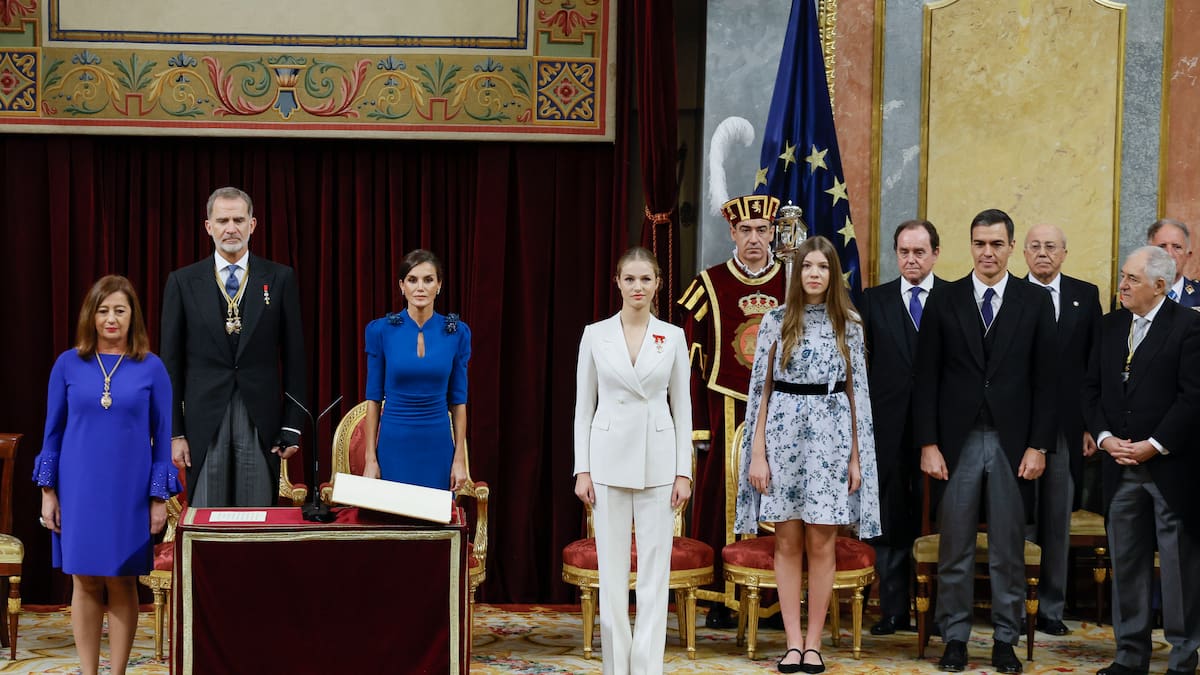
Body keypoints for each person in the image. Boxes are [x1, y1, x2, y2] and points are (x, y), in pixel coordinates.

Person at [912, 208, 1056, 674]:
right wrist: (928, 442)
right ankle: (954, 636)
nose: (987, 252)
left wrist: (1039, 445)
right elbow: (926, 378)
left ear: (1011, 247)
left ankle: (1004, 641)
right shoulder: (945, 299)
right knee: (954, 545)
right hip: (957, 443)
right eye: (979, 243)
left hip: (1013, 444)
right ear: (969, 246)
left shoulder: (1033, 303)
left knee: (1008, 549)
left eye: (996, 243)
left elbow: (1046, 383)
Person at [735, 235, 881, 674]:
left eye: (822, 267)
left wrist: (857, 457)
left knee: (822, 541)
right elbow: (758, 392)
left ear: (833, 274)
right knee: (787, 540)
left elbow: (859, 394)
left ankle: (814, 643)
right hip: (782, 439)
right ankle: (792, 643)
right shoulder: (776, 321)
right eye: (806, 267)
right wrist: (757, 454)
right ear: (796, 274)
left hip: (831, 441)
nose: (814, 273)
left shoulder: (849, 324)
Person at [33, 275, 180, 675]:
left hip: (128, 493)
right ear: (90, 315)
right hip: (77, 488)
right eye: (103, 310)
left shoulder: (152, 368)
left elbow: (163, 439)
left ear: (133, 316)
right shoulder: (67, 364)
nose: (111, 319)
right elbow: (52, 433)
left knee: (121, 580)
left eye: (120, 310)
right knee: (84, 580)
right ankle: (88, 671)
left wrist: (156, 500)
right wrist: (49, 492)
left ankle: (116, 672)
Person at [573, 246, 693, 675]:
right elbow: (583, 407)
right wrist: (581, 468)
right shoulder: (594, 334)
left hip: (659, 465)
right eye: (630, 279)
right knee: (612, 575)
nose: (638, 287)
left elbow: (683, 407)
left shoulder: (673, 336)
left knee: (654, 577)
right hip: (606, 464)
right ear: (618, 282)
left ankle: (646, 668)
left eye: (646, 279)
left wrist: (684, 471)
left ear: (657, 283)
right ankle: (615, 667)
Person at [1084, 246, 1200, 675]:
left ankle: (1183, 659)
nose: (1123, 285)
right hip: (1120, 467)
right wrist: (1105, 437)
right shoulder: (1110, 326)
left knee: (1178, 571)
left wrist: (1156, 443)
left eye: (1132, 279)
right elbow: (1090, 389)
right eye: (1122, 276)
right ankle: (1129, 656)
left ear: (1160, 286)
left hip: (1170, 468)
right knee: (1127, 565)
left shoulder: (1189, 326)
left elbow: (1194, 397)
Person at [676, 193, 787, 626]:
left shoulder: (795, 280)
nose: (754, 239)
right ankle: (723, 599)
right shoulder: (709, 283)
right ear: (732, 234)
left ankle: (778, 598)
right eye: (746, 231)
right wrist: (698, 429)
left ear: (774, 232)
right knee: (723, 498)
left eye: (762, 230)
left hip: (784, 409)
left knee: (780, 498)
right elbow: (690, 364)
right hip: (725, 408)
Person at [161, 186, 307, 507]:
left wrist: (292, 424)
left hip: (261, 419)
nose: (231, 228)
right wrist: (175, 433)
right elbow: (169, 365)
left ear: (252, 225)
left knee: (254, 523)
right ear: (208, 226)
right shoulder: (183, 282)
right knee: (207, 522)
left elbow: (295, 358)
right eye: (223, 220)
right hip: (203, 419)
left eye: (239, 220)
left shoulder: (280, 278)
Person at [860, 219, 944, 636]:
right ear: (896, 254)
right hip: (886, 432)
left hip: (941, 433)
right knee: (890, 521)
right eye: (904, 252)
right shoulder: (872, 301)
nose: (911, 260)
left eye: (920, 252)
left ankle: (942, 614)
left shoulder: (954, 297)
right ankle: (893, 610)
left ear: (935, 254)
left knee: (943, 522)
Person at [1021, 223, 1102, 636]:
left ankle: (1051, 608)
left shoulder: (1084, 296)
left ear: (1065, 253)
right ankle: (1017, 606)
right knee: (1018, 519)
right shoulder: (1010, 295)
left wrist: (1091, 425)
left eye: (1051, 247)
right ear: (1023, 253)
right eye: (1035, 246)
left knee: (1056, 519)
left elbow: (1095, 367)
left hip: (1067, 429)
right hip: (1019, 428)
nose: (1043, 253)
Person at [362, 249, 471, 490]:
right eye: (412, 280)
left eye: (428, 279)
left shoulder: (457, 332)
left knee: (436, 524)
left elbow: (459, 401)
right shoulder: (380, 331)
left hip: (438, 445)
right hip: (394, 445)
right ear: (402, 286)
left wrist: (459, 459)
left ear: (439, 285)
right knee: (395, 524)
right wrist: (370, 459)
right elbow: (373, 398)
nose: (420, 287)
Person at [1147, 218, 1200, 308]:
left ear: (1188, 255)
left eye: (1177, 247)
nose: (1169, 254)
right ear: (1149, 254)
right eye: (1162, 246)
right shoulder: (1132, 295)